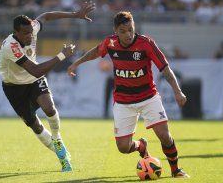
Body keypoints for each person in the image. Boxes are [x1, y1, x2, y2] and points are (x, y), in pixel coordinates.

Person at [67, 11, 190, 178]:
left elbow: (165, 69)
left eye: (131, 30)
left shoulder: (146, 43)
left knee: (164, 136)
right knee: (123, 147)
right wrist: (77, 63)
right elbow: (96, 51)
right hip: (123, 101)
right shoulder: (110, 42)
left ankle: (176, 170)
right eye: (123, 31)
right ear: (115, 31)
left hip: (148, 97)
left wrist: (177, 91)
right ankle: (141, 146)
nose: (128, 35)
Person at [0, 2, 95, 172]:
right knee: (35, 125)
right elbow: (35, 70)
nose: (30, 36)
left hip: (33, 81)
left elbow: (46, 16)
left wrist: (75, 14)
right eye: (25, 34)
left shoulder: (32, 28)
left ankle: (57, 138)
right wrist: (61, 55)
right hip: (14, 87)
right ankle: (61, 154)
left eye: (31, 32)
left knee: (49, 108)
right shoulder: (10, 47)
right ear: (16, 33)